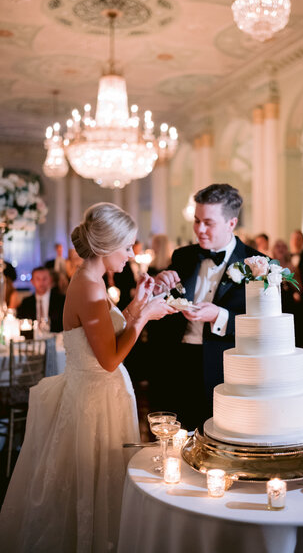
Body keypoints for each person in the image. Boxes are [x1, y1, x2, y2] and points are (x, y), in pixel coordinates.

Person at [0, 202, 176, 552]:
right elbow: (109, 359)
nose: (131, 255)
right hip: (95, 404)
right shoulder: (90, 287)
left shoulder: (90, 279)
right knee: (93, 488)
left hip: (95, 395)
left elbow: (105, 331)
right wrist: (142, 320)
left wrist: (139, 306)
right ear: (107, 246)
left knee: (98, 485)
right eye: (127, 247)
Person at [147, 183, 260, 430]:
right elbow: (167, 303)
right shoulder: (182, 256)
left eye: (208, 223)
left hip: (224, 368)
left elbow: (261, 324)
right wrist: (159, 289)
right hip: (178, 362)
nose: (199, 229)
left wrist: (218, 315)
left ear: (231, 223)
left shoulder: (257, 264)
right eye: (196, 221)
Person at [16, 265, 65, 332]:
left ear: (50, 280)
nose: (41, 282)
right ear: (32, 281)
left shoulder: (61, 300)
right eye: (38, 279)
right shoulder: (26, 302)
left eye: (44, 279)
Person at [271, 238, 299, 314]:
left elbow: (300, 288)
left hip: (289, 303)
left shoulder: (292, 267)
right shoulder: (269, 266)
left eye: (283, 246)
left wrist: (289, 277)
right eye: (278, 246)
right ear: (273, 250)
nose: (281, 249)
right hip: (273, 303)